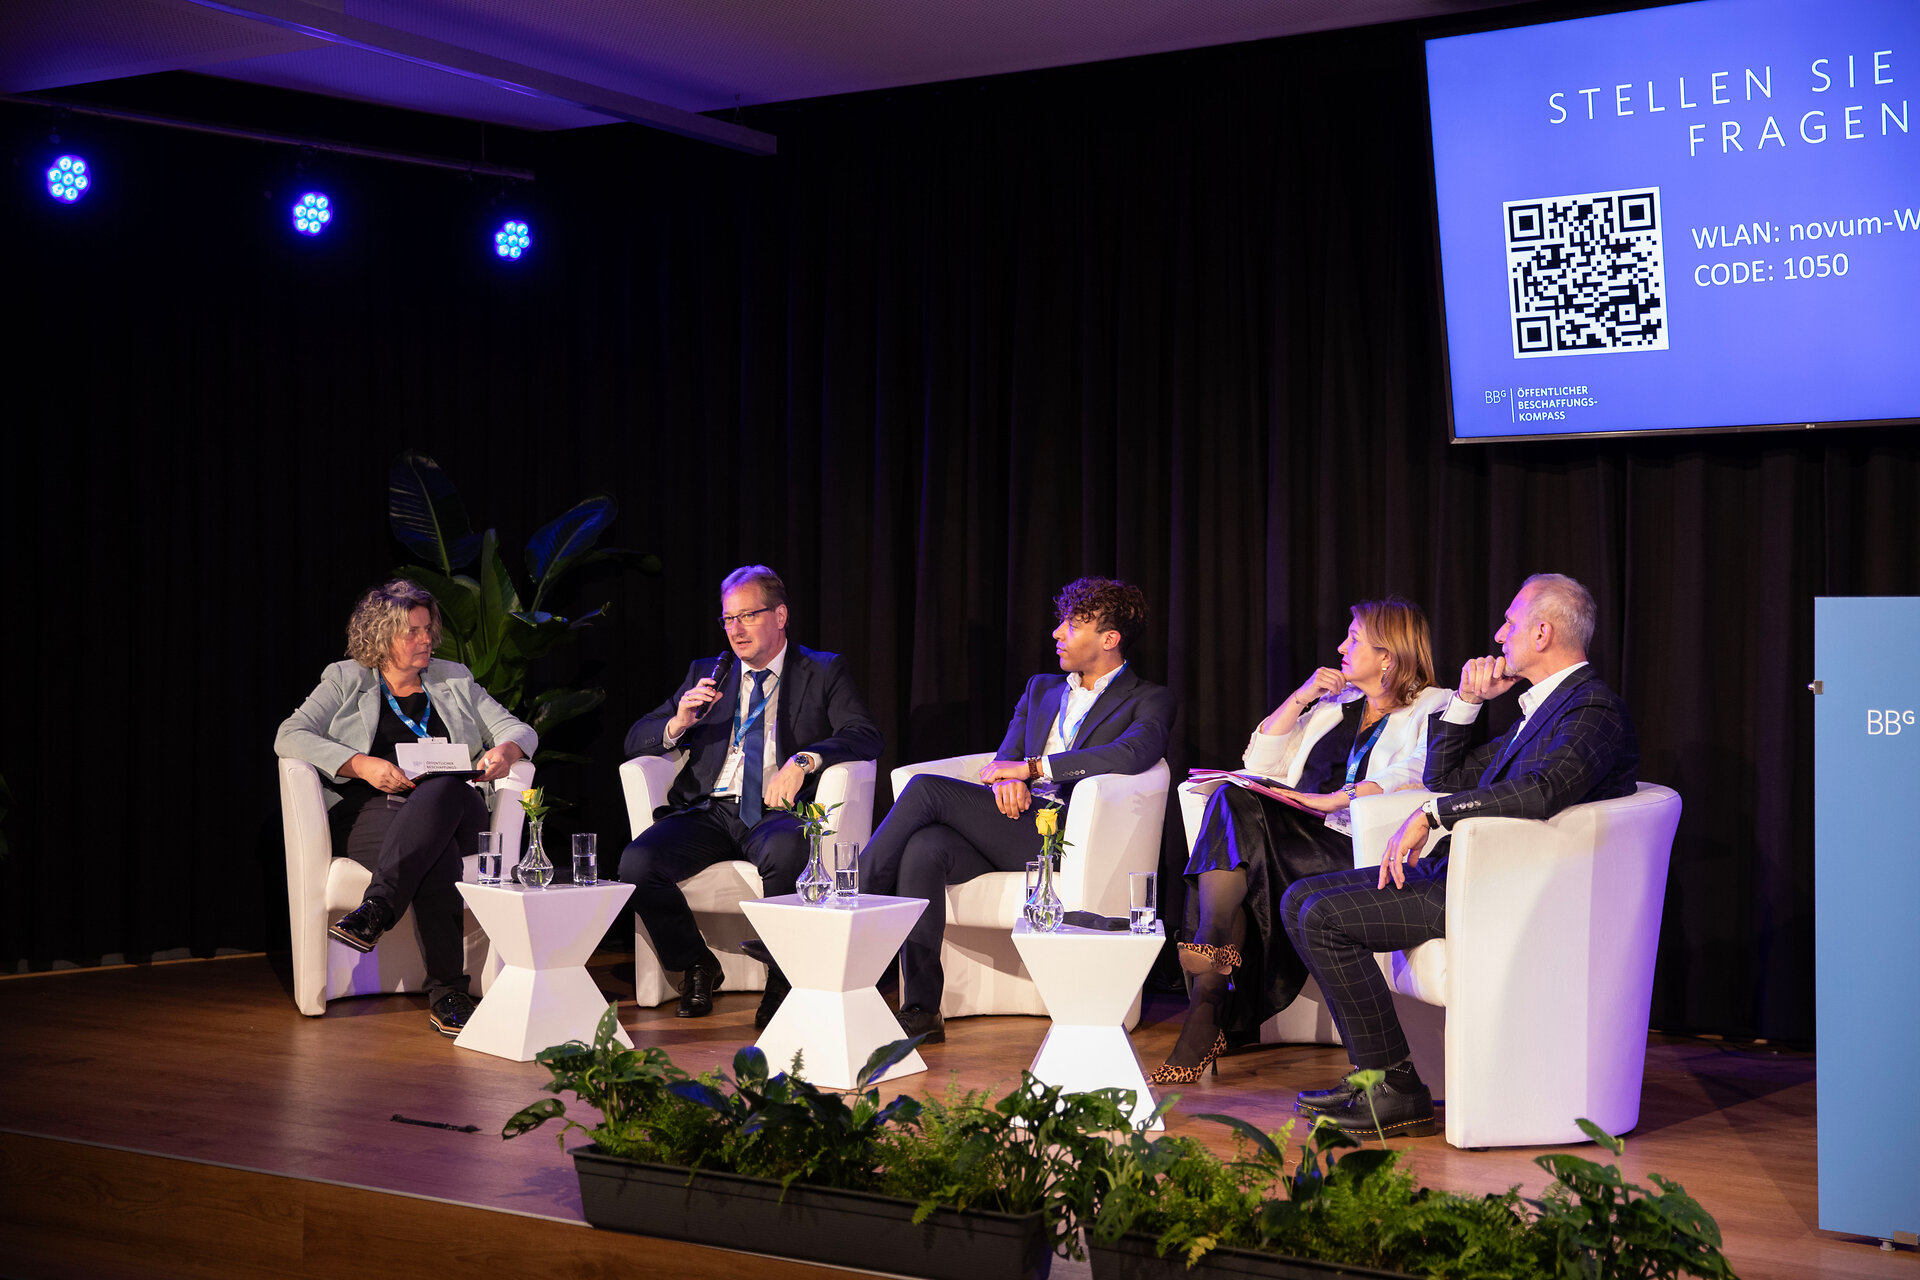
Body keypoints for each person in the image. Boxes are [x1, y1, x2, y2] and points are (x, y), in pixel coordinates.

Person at [1281, 573, 1639, 1135]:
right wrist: (1467, 701)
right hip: (1466, 873)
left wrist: (1432, 816)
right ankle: (1383, 1080)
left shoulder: (1592, 709)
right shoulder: (1543, 710)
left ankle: (1393, 1088)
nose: (1499, 636)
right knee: (1299, 899)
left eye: (1511, 623)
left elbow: (1544, 790)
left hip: (1502, 889)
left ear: (1542, 633)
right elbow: (1443, 777)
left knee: (1323, 915)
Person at [861, 576, 1176, 1044]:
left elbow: (1133, 753)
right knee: (925, 848)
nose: (1057, 633)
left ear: (1109, 639)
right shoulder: (1042, 688)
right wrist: (1009, 779)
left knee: (926, 790)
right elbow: (1004, 759)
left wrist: (1033, 769)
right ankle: (922, 1010)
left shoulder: (1149, 698)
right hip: (1009, 821)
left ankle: (845, 911)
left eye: (1073, 625)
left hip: (1065, 834)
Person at [1151, 599, 1450, 1084]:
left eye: (1354, 638)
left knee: (1240, 840)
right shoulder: (1336, 705)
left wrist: (1335, 799)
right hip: (1296, 836)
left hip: (1355, 847)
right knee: (1232, 798)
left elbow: (1416, 772)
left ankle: (1207, 997)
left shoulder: (1435, 705)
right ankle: (1210, 966)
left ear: (1387, 656)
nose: (1341, 647)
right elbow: (1259, 764)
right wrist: (1301, 696)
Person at [617, 565, 883, 1025]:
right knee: (635, 864)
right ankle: (696, 964)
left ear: (780, 616)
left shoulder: (822, 670)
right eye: (728, 619)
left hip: (776, 810)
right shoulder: (709, 673)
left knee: (788, 851)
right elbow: (635, 739)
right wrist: (679, 722)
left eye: (747, 616)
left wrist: (804, 761)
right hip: (709, 809)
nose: (735, 629)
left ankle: (783, 978)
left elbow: (865, 735)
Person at [275, 579, 537, 1037]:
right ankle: (448, 995)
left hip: (457, 808)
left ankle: (377, 908)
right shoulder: (346, 679)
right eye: (412, 631)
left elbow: (520, 730)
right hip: (379, 811)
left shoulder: (454, 679)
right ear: (381, 637)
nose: (426, 639)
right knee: (434, 854)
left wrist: (506, 751)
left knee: (442, 786)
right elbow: (290, 735)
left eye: (427, 629)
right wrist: (360, 765)